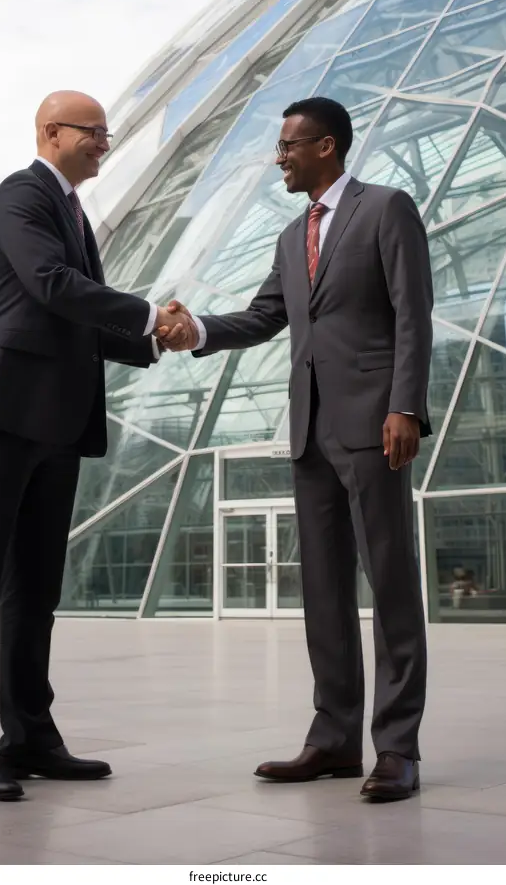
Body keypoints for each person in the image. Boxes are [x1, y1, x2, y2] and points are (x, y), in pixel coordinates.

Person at [161, 96, 433, 802]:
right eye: (280, 147)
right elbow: (264, 315)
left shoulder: (386, 208)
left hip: (376, 424)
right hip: (309, 428)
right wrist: (199, 333)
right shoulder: (291, 236)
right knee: (323, 591)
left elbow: (413, 311)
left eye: (289, 145)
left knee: (391, 583)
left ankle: (397, 746)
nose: (279, 157)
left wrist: (405, 404)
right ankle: (334, 736)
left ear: (327, 147)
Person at [0, 91, 193, 802]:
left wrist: (155, 339)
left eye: (108, 134)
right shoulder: (20, 194)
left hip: (55, 418)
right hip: (4, 409)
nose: (105, 143)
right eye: (94, 132)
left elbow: (77, 315)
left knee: (35, 588)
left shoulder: (75, 212)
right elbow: (53, 287)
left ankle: (29, 736)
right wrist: (148, 314)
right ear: (52, 132)